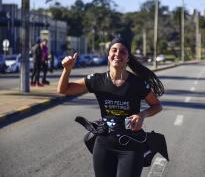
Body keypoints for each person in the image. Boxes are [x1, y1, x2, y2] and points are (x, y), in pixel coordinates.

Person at [57, 36, 165, 177]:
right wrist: (67, 69)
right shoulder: (96, 80)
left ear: (128, 58)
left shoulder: (138, 83)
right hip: (104, 144)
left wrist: (142, 114)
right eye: (114, 50)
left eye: (123, 52)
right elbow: (63, 90)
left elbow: (157, 105)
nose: (117, 54)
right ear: (108, 55)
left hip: (131, 145)